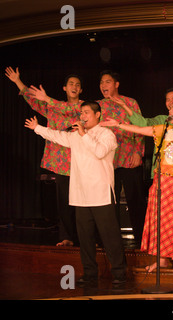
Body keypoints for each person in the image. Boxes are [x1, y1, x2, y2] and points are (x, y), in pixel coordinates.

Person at [24, 101, 126, 286]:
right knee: (85, 238)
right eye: (81, 112)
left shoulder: (107, 134)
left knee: (109, 236)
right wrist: (37, 127)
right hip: (81, 194)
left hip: (101, 193)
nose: (83, 116)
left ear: (98, 115)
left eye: (87, 112)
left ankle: (119, 273)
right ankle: (89, 274)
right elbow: (56, 135)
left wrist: (83, 135)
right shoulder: (75, 136)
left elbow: (100, 152)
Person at [101, 98, 173, 272]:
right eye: (169, 108)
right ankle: (162, 259)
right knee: (162, 221)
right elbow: (141, 129)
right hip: (164, 180)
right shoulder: (164, 129)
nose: (170, 111)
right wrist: (119, 124)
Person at [5, 66, 81, 247]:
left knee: (83, 203)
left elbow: (69, 110)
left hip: (81, 161)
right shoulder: (52, 108)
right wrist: (17, 81)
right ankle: (66, 237)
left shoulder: (83, 107)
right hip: (61, 163)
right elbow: (32, 100)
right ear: (64, 88)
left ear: (81, 90)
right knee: (63, 203)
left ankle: (86, 238)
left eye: (78, 85)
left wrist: (48, 99)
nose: (75, 87)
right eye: (71, 84)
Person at [98, 70, 146, 246]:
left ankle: (142, 240)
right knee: (110, 202)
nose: (104, 85)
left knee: (135, 200)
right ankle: (111, 241)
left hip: (128, 157)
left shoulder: (129, 102)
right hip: (107, 161)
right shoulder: (98, 106)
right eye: (102, 82)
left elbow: (140, 127)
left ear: (116, 84)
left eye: (108, 82)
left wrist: (137, 152)